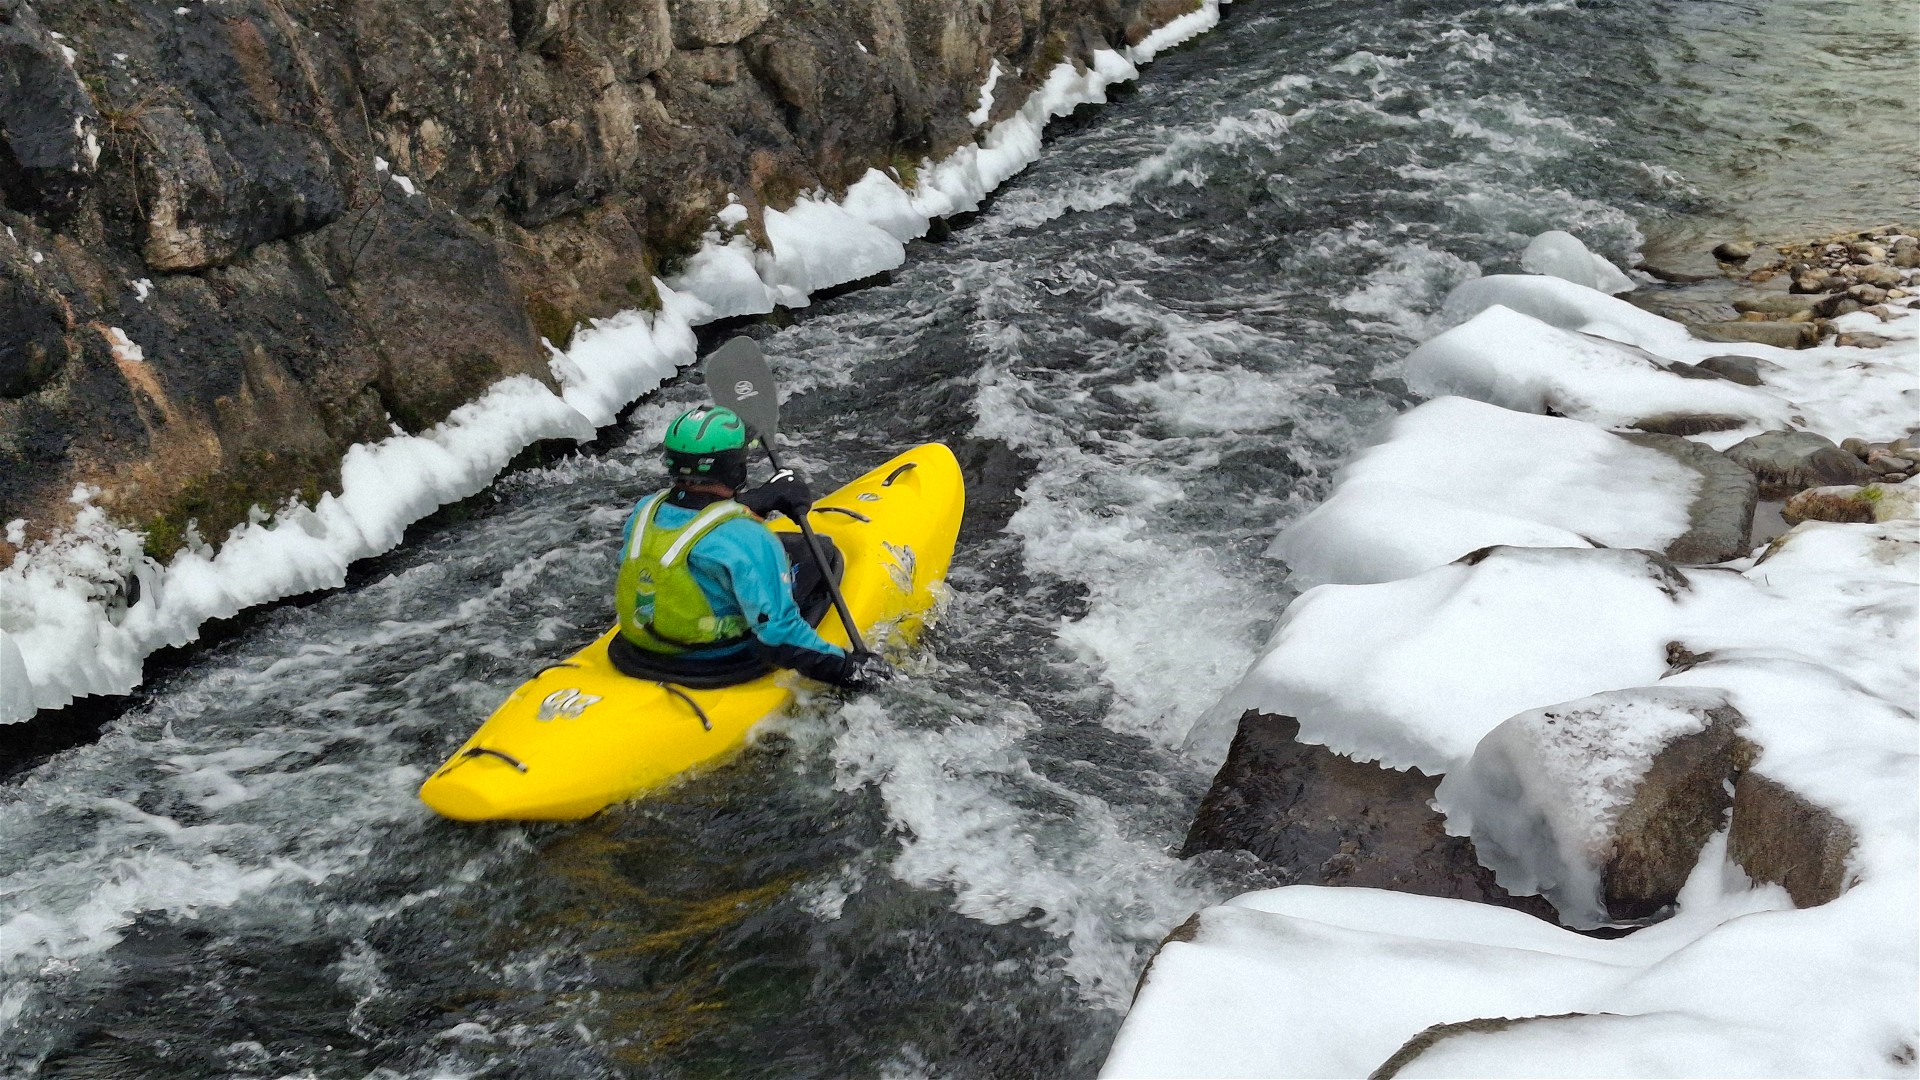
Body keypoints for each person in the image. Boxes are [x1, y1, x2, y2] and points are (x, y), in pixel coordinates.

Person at [611, 405, 891, 690]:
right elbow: (778, 639)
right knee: (819, 556)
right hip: (714, 660)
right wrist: (850, 669)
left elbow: (700, 525)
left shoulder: (645, 510)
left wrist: (763, 498)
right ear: (735, 470)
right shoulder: (749, 538)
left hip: (642, 648)